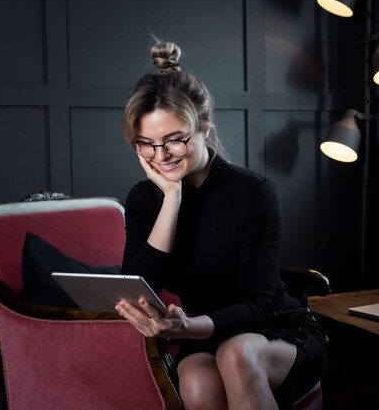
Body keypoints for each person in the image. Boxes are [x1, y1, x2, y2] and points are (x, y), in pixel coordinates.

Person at [115, 41, 329, 410]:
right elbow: (138, 286)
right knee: (197, 384)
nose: (161, 156)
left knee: (236, 354)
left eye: (174, 141)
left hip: (276, 331)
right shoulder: (145, 199)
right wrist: (172, 199)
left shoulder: (254, 193)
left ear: (205, 129)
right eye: (146, 145)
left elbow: (258, 306)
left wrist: (187, 328)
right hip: (206, 334)